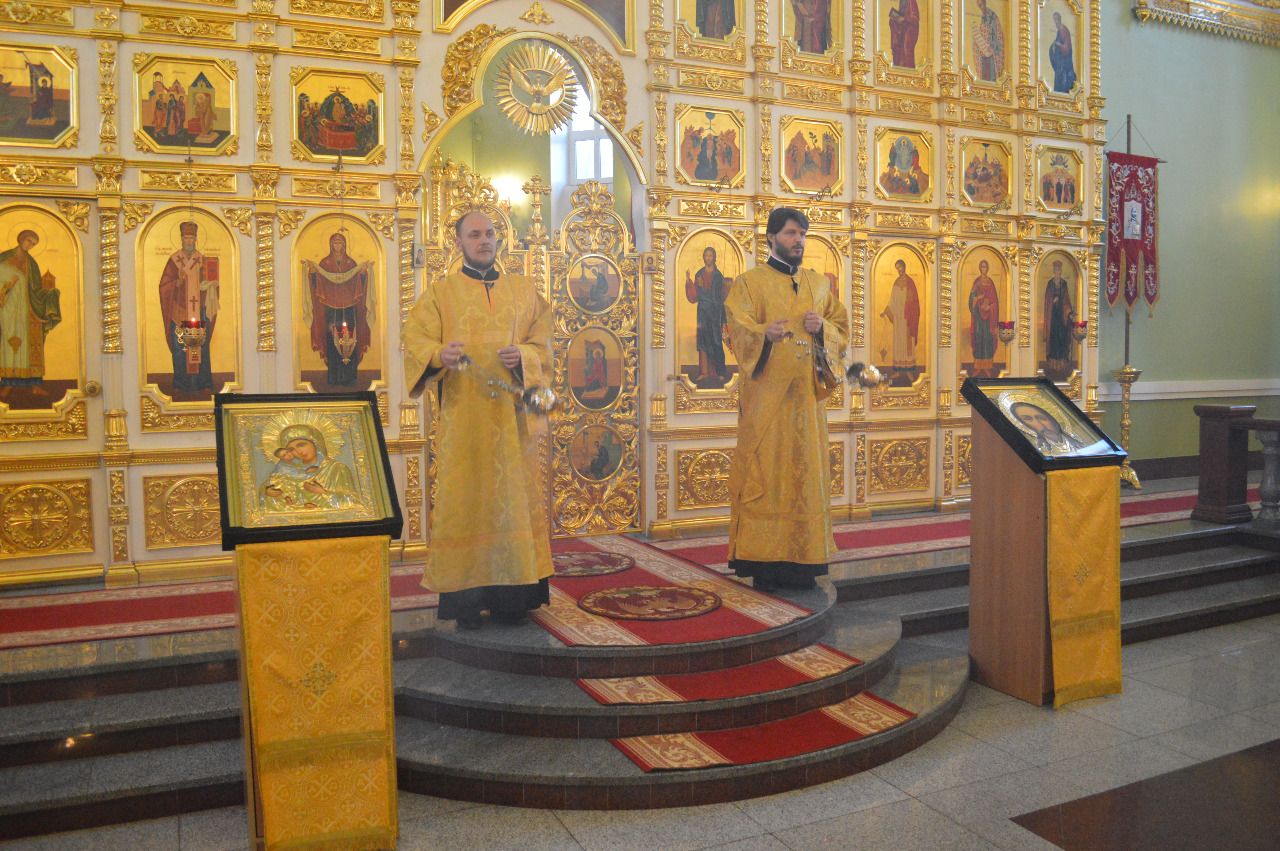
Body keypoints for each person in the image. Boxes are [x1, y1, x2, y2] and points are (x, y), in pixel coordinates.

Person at [403, 210, 553, 629]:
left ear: (498, 240)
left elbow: (545, 344)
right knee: (466, 504)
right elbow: (415, 341)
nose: (484, 240)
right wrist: (439, 355)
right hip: (464, 420)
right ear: (459, 242)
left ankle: (513, 601)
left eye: (489, 233)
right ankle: (465, 604)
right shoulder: (440, 293)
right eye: (474, 234)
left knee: (512, 505)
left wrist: (525, 356)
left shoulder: (524, 291)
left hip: (512, 422)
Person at [723, 207, 849, 592]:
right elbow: (736, 329)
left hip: (806, 404)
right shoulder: (749, 284)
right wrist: (764, 333)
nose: (799, 240)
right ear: (772, 237)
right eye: (792, 233)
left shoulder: (819, 285)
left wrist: (823, 328)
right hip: (767, 405)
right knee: (766, 474)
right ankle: (763, 563)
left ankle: (805, 563)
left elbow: (843, 329)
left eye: (803, 234)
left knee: (804, 477)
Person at [304, 231, 374, 388]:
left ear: (344, 245)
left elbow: (358, 285)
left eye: (340, 242)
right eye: (335, 242)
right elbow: (318, 285)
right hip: (330, 309)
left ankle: (350, 377)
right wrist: (313, 273)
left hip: (349, 308)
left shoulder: (351, 263)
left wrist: (363, 274)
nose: (337, 245)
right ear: (330, 245)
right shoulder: (324, 264)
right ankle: (334, 376)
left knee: (352, 339)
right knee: (332, 340)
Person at [158, 220, 219, 394]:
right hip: (178, 312)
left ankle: (204, 383)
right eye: (186, 238)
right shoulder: (174, 261)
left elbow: (212, 285)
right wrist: (177, 282)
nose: (189, 241)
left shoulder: (203, 260)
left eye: (192, 238)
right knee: (179, 348)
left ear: (196, 239)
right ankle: (180, 384)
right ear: (181, 239)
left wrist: (210, 286)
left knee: (202, 346)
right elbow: (164, 285)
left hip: (199, 311)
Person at [0, 230, 60, 393]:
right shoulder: (3, 258)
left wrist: (49, 295)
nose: (30, 245)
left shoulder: (31, 263)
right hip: (7, 308)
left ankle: (35, 384)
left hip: (28, 309)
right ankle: (7, 383)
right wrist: (7, 286)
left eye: (33, 244)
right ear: (21, 239)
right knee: (9, 343)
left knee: (32, 344)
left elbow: (36, 289)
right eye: (29, 241)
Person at [261, 424, 358, 511]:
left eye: (301, 445)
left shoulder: (336, 469)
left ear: (316, 443)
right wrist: (269, 495)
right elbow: (263, 501)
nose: (298, 451)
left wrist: (323, 493)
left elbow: (352, 502)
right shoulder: (285, 471)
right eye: (291, 449)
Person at [685, 245, 730, 386]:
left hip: (715, 313)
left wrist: (728, 287)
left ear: (714, 258)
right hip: (703, 313)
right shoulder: (699, 274)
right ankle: (704, 372)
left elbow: (721, 296)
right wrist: (689, 282)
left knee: (716, 341)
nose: (708, 258)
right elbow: (694, 296)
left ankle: (720, 372)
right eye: (706, 255)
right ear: (703, 258)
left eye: (710, 255)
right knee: (703, 342)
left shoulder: (718, 276)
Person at [881, 258, 921, 372]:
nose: (899, 270)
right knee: (899, 341)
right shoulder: (896, 282)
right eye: (897, 268)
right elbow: (892, 301)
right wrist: (886, 310)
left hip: (908, 318)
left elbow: (915, 302)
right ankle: (898, 369)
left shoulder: (910, 283)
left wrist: (910, 310)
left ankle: (909, 369)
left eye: (900, 267)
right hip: (898, 318)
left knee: (907, 342)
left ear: (904, 267)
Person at [1009, 401, 1087, 455]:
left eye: (1041, 418)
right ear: (1023, 423)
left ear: (1052, 418)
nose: (1040, 424)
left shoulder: (1077, 439)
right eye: (1028, 419)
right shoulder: (1036, 448)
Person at [1043, 259, 1074, 379]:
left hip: (1062, 317)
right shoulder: (1050, 284)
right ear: (1054, 271)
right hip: (1052, 317)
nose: (1057, 271)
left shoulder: (1063, 284)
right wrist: (1052, 301)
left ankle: (1061, 364)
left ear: (1060, 271)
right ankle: (1053, 365)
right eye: (1055, 269)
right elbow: (1047, 301)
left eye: (1059, 269)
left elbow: (1066, 300)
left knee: (1062, 338)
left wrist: (1069, 312)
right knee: (1054, 339)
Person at [968, 259, 1000, 377]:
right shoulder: (976, 283)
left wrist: (989, 307)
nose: (984, 269)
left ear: (987, 269)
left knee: (987, 339)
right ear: (979, 268)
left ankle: (987, 367)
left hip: (989, 319)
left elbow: (995, 302)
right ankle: (978, 366)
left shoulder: (991, 283)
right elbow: (971, 300)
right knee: (978, 338)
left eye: (985, 267)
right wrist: (978, 299)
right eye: (982, 267)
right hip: (978, 317)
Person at [973, 0, 1005, 82]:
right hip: (983, 55)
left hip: (991, 56)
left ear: (985, 3)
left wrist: (990, 46)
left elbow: (998, 36)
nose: (981, 7)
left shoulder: (992, 16)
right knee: (985, 78)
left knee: (991, 79)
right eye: (979, 5)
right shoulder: (982, 16)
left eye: (981, 4)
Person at [1049, 11, 1077, 93]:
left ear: (1060, 19)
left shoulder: (1063, 30)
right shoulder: (1059, 31)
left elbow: (1067, 48)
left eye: (1056, 19)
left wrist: (1059, 45)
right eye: (1054, 20)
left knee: (1062, 82)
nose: (1055, 22)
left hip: (1065, 63)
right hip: (1060, 63)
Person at [889, 0, 921, 68]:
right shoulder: (902, 2)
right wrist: (897, 18)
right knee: (892, 20)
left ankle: (909, 70)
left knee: (906, 51)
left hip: (910, 31)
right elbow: (902, 18)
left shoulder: (911, 1)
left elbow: (915, 18)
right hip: (903, 28)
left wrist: (905, 18)